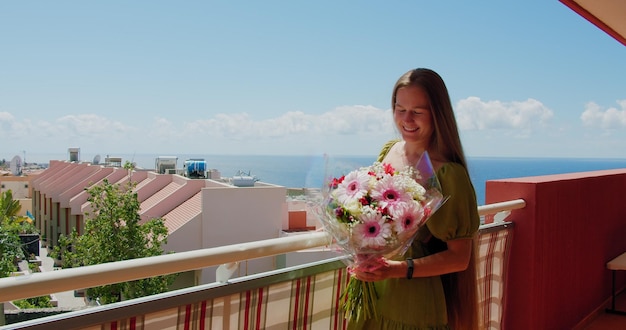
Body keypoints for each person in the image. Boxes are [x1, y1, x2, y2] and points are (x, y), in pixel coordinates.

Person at [349, 68, 481, 329]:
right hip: (372, 291)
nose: (407, 120)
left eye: (417, 111)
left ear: (437, 114)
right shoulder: (389, 150)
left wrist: (395, 269)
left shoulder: (448, 174)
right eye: (400, 109)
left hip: (412, 300)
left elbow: (459, 258)